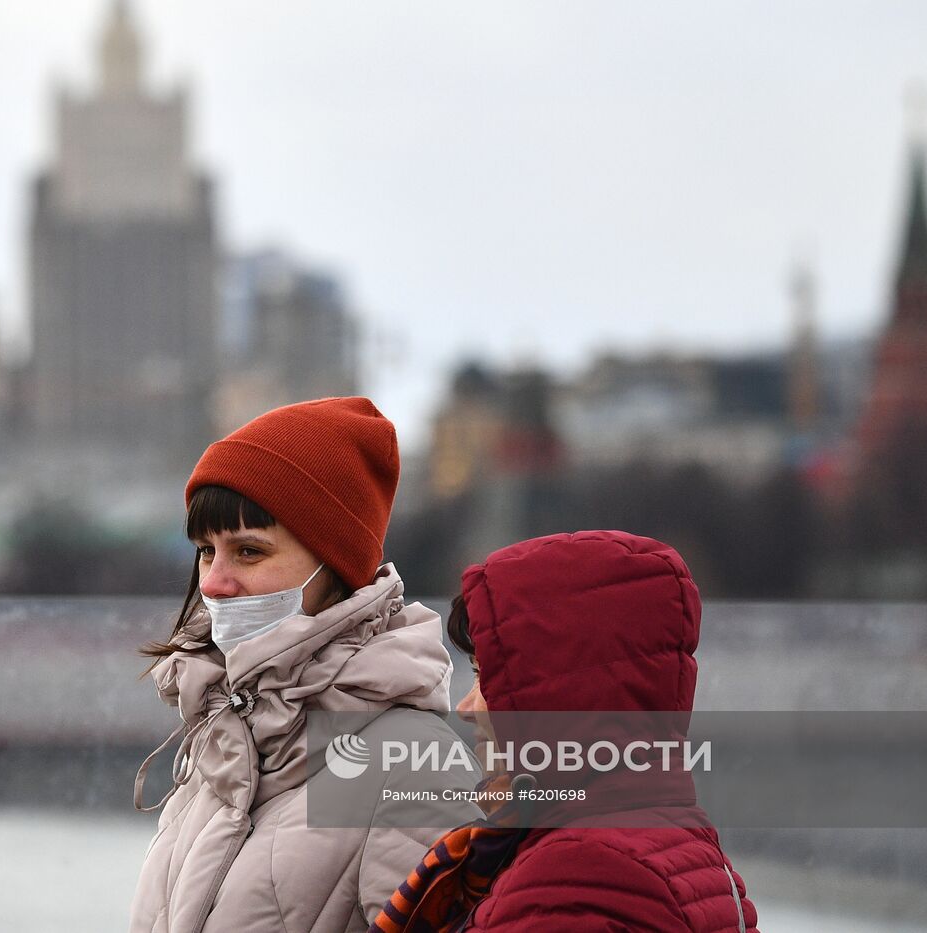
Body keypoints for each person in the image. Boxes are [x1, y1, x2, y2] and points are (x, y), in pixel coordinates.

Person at [130, 396, 481, 933]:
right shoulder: (223, 737)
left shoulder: (411, 764)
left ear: (334, 565)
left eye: (249, 551)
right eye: (206, 550)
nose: (213, 583)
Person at [372, 530, 759, 932]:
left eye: (486, 677)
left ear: (557, 693)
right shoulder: (674, 837)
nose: (466, 708)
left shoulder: (575, 879)